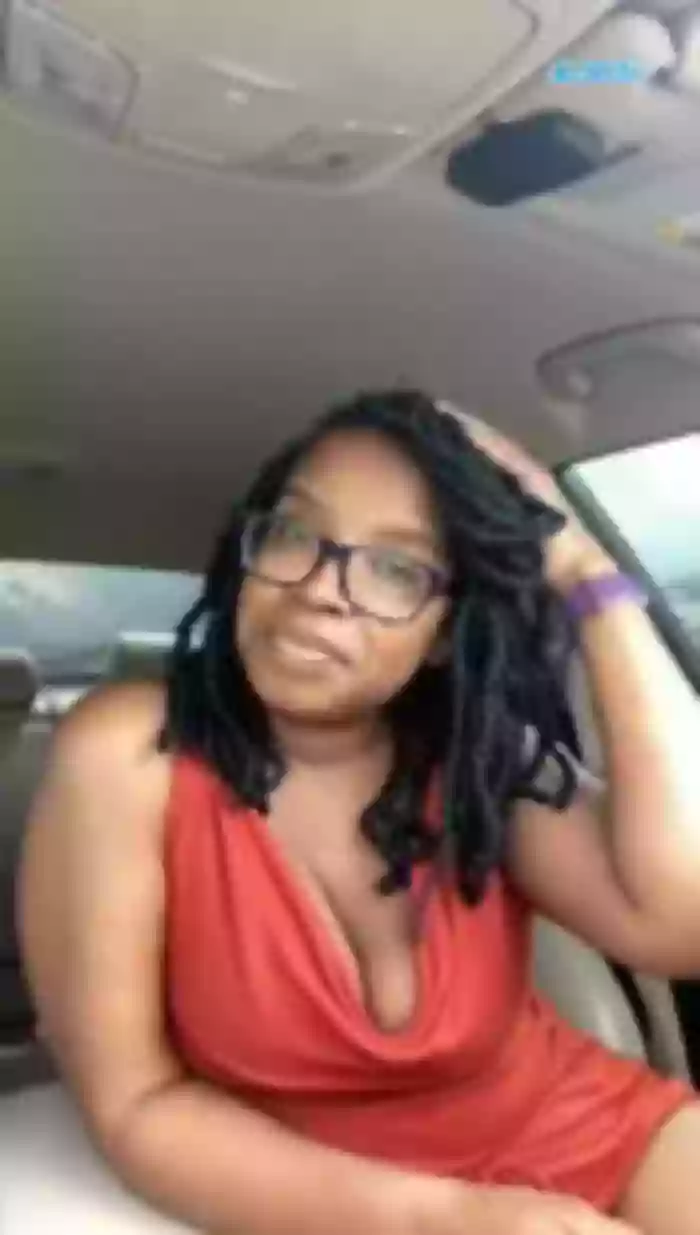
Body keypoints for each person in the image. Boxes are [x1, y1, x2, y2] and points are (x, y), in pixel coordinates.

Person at [18, 390, 700, 1235]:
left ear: (444, 633)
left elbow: (681, 921)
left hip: (598, 1135)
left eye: (396, 568)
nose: (321, 589)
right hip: (348, 1205)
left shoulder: (475, 758)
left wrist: (591, 581)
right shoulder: (129, 754)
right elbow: (135, 1105)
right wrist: (449, 1217)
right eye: (295, 533)